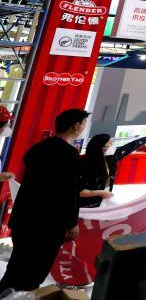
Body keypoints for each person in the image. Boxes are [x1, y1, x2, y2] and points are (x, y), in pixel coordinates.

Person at [0, 108, 87, 293]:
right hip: (46, 224)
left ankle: (7, 293)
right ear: (76, 125)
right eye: (83, 124)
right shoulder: (69, 154)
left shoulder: (38, 148)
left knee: (17, 266)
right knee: (34, 272)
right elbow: (69, 191)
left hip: (24, 218)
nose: (83, 128)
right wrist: (72, 222)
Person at [79, 132, 146, 208]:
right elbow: (78, 190)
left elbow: (129, 147)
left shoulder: (111, 157)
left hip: (102, 200)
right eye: (110, 143)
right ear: (101, 146)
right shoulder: (84, 164)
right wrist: (99, 193)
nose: (112, 145)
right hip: (85, 205)